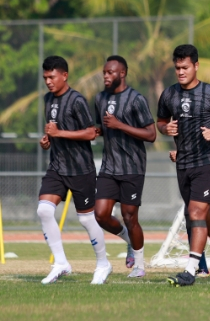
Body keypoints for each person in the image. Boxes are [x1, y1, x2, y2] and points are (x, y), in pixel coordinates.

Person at [157, 44, 210, 287]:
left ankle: (191, 270)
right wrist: (165, 128)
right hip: (183, 164)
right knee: (203, 215)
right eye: (177, 68)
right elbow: (161, 121)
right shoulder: (169, 94)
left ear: (196, 66)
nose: (181, 72)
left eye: (185, 67)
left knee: (195, 214)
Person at [37, 56, 109, 285]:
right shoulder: (48, 99)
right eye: (45, 77)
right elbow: (53, 130)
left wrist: (59, 134)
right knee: (44, 211)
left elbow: (91, 133)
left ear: (64, 75)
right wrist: (47, 139)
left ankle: (103, 263)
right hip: (57, 167)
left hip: (80, 169)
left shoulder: (77, 100)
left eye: (52, 77)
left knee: (87, 220)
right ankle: (61, 263)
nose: (48, 81)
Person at [94, 55, 156, 279]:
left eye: (110, 72)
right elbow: (99, 127)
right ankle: (129, 240)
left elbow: (151, 134)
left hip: (132, 167)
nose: (106, 76)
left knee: (130, 218)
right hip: (109, 167)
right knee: (100, 214)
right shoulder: (100, 98)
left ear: (122, 73)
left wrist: (120, 125)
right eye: (104, 73)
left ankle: (139, 266)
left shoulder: (136, 99)